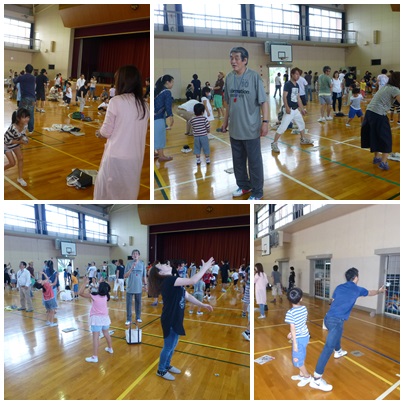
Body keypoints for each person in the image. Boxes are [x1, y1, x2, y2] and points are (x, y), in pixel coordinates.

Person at [310, 267, 386, 392]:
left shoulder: (339, 287)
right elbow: (370, 292)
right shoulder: (357, 289)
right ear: (355, 278)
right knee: (328, 348)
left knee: (339, 331)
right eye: (358, 276)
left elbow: (332, 301)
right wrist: (379, 291)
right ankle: (316, 380)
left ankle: (338, 351)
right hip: (335, 321)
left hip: (327, 319)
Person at [148, 257, 214, 380]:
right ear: (161, 272)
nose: (165, 264)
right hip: (170, 318)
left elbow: (187, 295)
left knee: (173, 345)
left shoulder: (173, 280)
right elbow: (193, 281)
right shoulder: (169, 280)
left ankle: (167, 365)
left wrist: (202, 305)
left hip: (176, 317)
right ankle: (161, 370)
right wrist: (204, 268)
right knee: (168, 346)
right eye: (162, 265)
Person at [94, 65, 149, 200]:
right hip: (135, 157)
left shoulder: (116, 101)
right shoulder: (144, 105)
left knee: (107, 192)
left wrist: (99, 132)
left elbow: (106, 132)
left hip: (116, 156)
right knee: (128, 192)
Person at [222, 46, 269, 200]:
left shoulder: (254, 77)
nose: (233, 61)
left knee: (254, 163)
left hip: (251, 128)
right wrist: (225, 122)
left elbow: (264, 102)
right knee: (238, 162)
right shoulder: (229, 78)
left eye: (236, 58)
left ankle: (257, 192)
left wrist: (265, 122)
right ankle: (244, 186)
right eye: (231, 58)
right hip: (234, 129)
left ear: (245, 60)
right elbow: (228, 103)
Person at [361, 71, 400, 171]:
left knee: (375, 135)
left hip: (369, 113)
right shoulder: (395, 89)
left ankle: (377, 157)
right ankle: (383, 162)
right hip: (378, 114)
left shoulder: (386, 87)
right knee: (386, 138)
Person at [271, 67, 313, 153]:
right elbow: (284, 96)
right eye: (296, 74)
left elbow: (298, 98)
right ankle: (274, 143)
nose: (298, 76)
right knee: (283, 127)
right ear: (292, 74)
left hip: (295, 110)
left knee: (301, 124)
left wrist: (302, 109)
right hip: (289, 110)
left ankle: (303, 139)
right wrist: (286, 107)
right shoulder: (288, 84)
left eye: (299, 74)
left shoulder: (297, 85)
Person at [79, 278, 113, 363]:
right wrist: (101, 283)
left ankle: (95, 357)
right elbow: (104, 288)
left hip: (96, 320)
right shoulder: (106, 296)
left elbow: (80, 293)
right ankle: (110, 348)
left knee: (95, 338)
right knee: (106, 334)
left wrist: (84, 283)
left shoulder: (94, 296)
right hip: (105, 319)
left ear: (99, 288)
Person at [285, 287, 311, 387]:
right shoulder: (304, 308)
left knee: (297, 360)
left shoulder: (290, 313)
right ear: (301, 298)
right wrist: (292, 333)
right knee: (301, 355)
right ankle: (301, 375)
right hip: (305, 336)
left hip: (299, 339)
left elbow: (293, 328)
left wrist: (294, 342)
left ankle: (307, 376)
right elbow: (300, 324)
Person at [4, 108, 30, 187]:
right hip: (6, 144)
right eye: (24, 117)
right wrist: (21, 142)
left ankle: (20, 178)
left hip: (15, 143)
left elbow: (22, 134)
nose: (27, 119)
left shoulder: (25, 125)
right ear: (18, 118)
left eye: (28, 117)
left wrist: (24, 138)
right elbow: (8, 141)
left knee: (21, 158)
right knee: (12, 163)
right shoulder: (13, 128)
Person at [154, 75, 174, 162]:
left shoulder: (156, 90)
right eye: (172, 82)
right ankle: (161, 156)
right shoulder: (167, 92)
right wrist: (170, 116)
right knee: (160, 136)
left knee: (154, 135)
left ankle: (154, 153)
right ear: (167, 82)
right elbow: (168, 105)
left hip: (152, 116)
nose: (172, 84)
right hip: (159, 117)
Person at [124, 249, 146, 325]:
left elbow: (144, 276)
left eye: (136, 254)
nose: (135, 255)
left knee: (138, 303)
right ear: (132, 256)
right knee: (129, 304)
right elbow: (125, 276)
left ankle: (138, 317)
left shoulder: (142, 264)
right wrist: (131, 268)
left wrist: (145, 285)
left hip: (138, 287)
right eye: (134, 254)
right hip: (130, 287)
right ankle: (128, 319)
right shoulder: (128, 264)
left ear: (139, 255)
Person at [13, 64, 36, 134]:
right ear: (32, 71)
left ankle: (19, 128)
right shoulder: (33, 78)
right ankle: (30, 129)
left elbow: (14, 81)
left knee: (20, 113)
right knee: (31, 114)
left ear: (25, 70)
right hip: (32, 98)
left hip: (24, 98)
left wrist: (15, 75)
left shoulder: (22, 77)